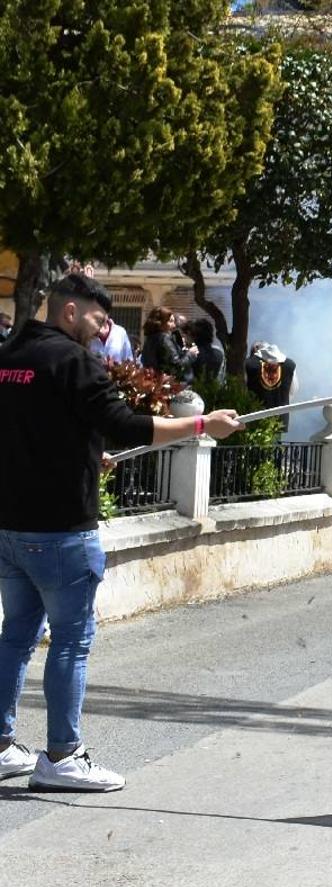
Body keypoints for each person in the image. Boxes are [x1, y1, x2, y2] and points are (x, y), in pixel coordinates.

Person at [0, 274, 244, 791]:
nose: (105, 326)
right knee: (70, 641)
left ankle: (1, 746)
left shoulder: (10, 356)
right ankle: (64, 755)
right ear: (70, 311)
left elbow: (38, 429)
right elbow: (126, 424)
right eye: (98, 316)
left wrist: (88, 456)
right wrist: (203, 426)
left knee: (17, 636)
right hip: (62, 531)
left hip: (10, 529)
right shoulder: (74, 361)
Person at [244, 343, 297, 431]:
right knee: (275, 444)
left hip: (253, 416)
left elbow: (242, 389)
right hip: (279, 418)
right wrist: (282, 402)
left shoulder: (248, 363)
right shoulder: (290, 365)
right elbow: (293, 390)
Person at [140, 306, 194, 382]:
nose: (174, 325)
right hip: (166, 384)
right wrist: (190, 354)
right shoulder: (164, 338)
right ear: (161, 323)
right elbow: (176, 365)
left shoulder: (150, 338)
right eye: (170, 321)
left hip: (152, 382)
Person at [184, 318, 224, 386]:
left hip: (193, 390)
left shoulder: (192, 354)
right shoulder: (219, 352)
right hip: (213, 390)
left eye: (188, 334)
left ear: (194, 336)